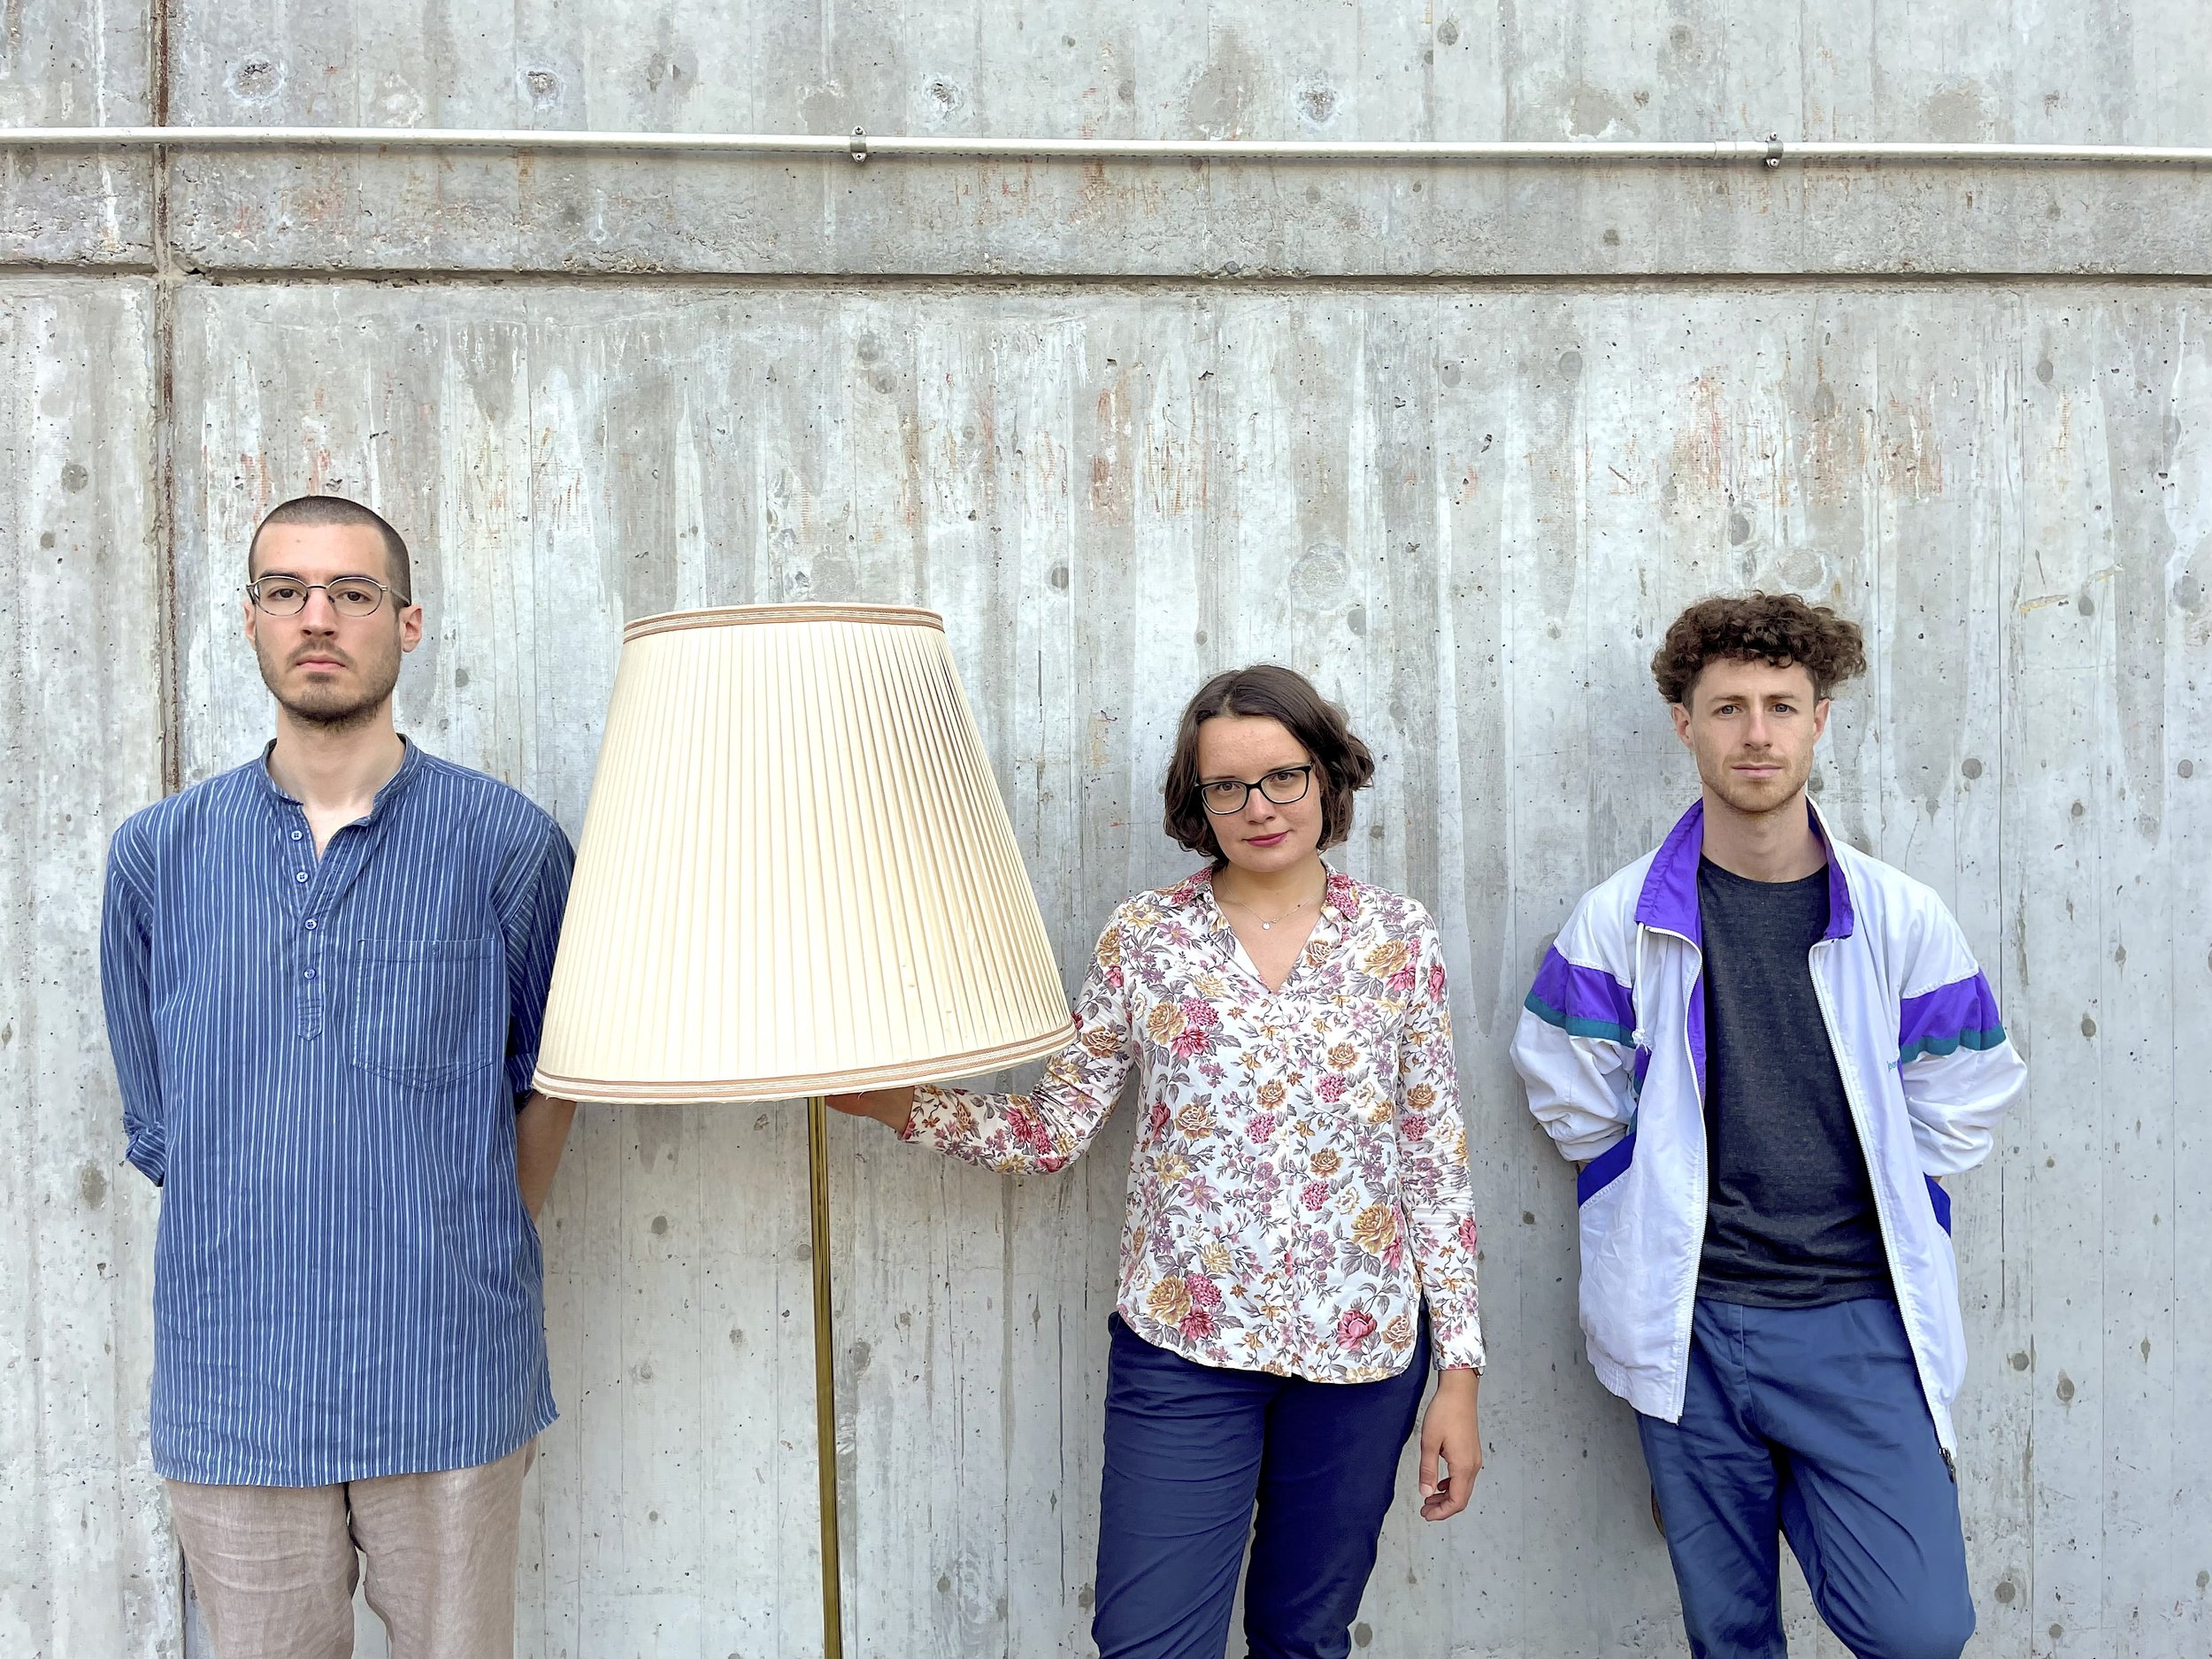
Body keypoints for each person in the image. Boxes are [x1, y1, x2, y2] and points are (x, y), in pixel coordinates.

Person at [833, 664, 1485, 1659]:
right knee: (1147, 1641)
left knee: (1302, 1637)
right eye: (1228, 786)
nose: (1259, 806)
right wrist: (897, 1104)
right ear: (1198, 800)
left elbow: (1433, 1162)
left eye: (1284, 776)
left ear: (1326, 775)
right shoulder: (1146, 937)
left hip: (1359, 1354)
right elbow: (1054, 1130)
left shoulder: (1398, 937)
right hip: (1184, 1344)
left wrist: (1459, 1373)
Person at [99, 495, 576, 1659]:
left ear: (406, 622)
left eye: (352, 592)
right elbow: (163, 1122)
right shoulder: (158, 856)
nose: (317, 618)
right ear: (250, 620)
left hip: (449, 1373)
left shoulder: (507, 844)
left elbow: (552, 1078)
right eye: (286, 591)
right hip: (235, 1388)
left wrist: (469, 1231)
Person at [1511, 593, 2026, 1659]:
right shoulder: (1618, 919)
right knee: (1729, 1633)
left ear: (1818, 721)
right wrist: (1647, 1193)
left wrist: (1898, 1193)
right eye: (1728, 707)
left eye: (1781, 707)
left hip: (1858, 1321)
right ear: (1684, 725)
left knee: (1919, 1630)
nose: (1756, 733)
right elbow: (1569, 1089)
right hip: (1688, 1326)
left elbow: (1964, 1091)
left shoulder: (1900, 917)